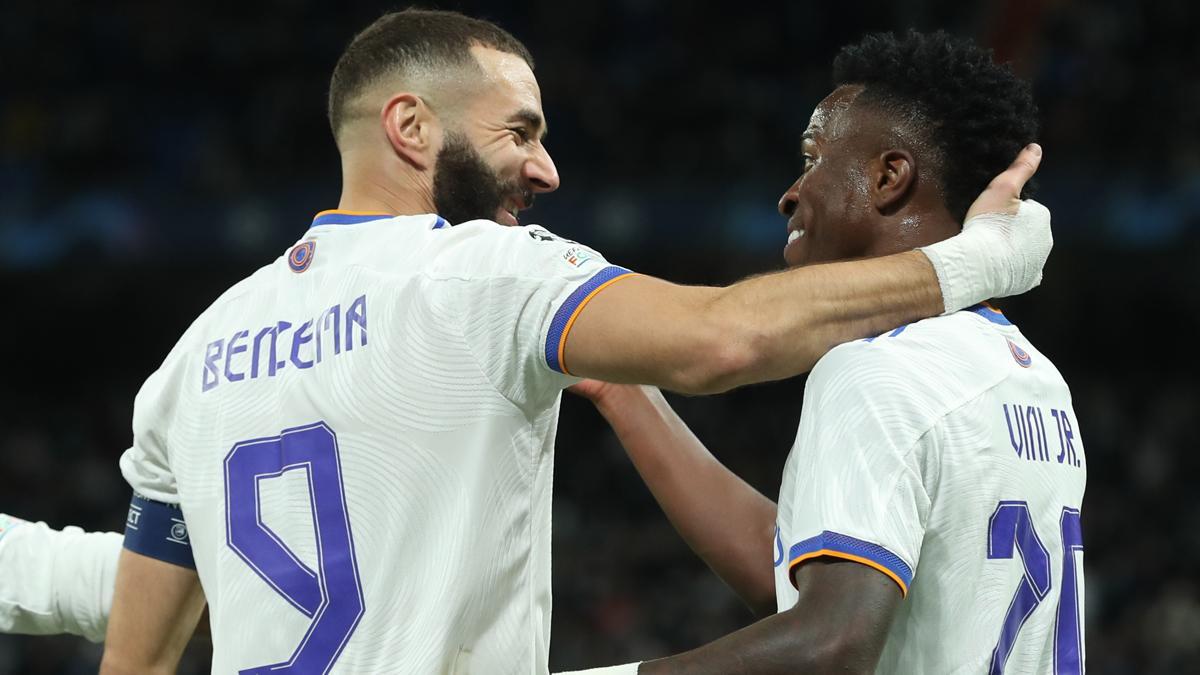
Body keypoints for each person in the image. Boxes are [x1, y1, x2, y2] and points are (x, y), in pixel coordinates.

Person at [9, 10, 1050, 674]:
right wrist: (974, 265)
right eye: (521, 132)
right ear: (413, 130)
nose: (547, 170)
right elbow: (726, 338)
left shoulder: (195, 355)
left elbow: (139, 653)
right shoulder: (485, 271)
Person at [563, 31, 1084, 675]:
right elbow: (797, 571)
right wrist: (624, 390)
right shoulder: (1031, 376)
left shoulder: (879, 366)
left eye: (812, 157)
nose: (790, 192)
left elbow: (832, 643)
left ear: (889, 176)